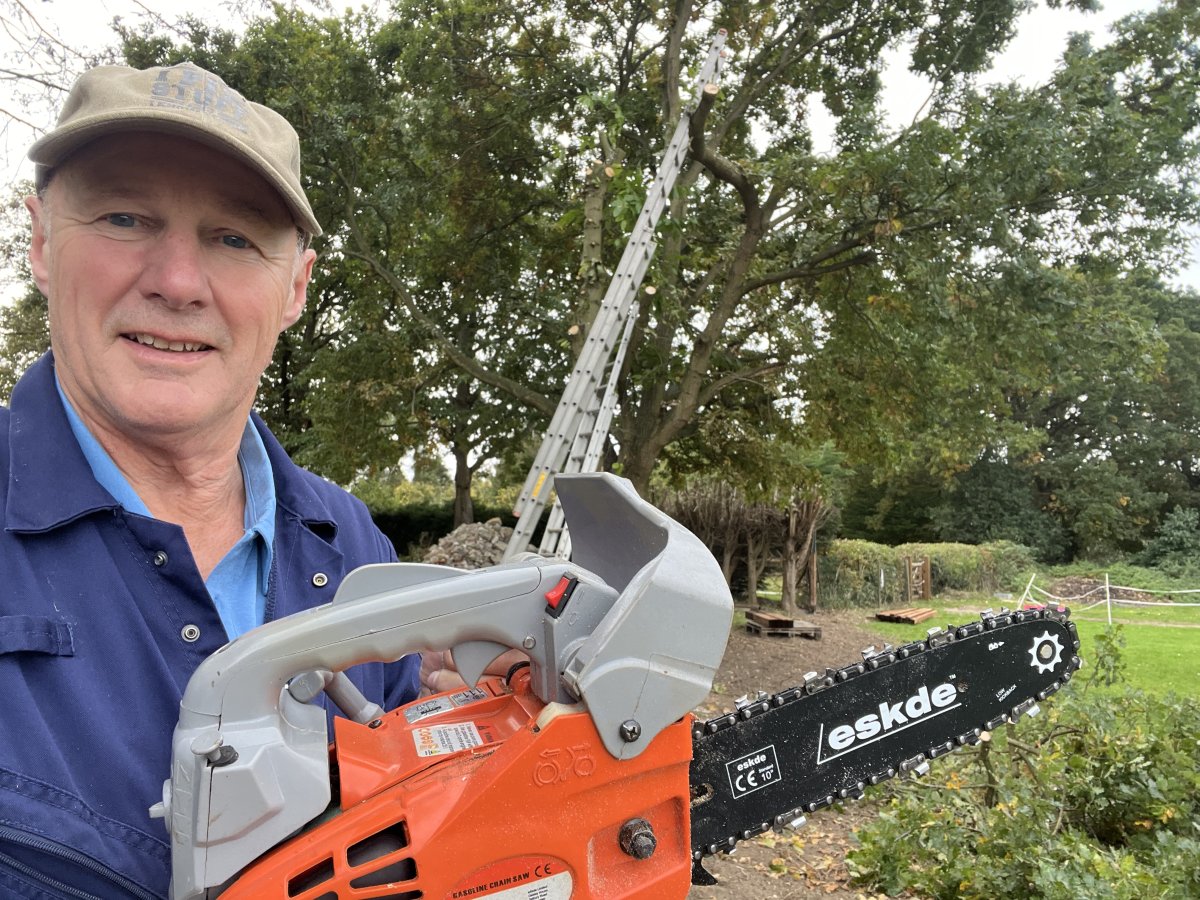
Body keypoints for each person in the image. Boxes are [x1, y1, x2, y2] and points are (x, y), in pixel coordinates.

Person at [0, 61, 423, 899]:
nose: (178, 282)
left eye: (234, 238)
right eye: (124, 217)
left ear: (295, 287)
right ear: (42, 243)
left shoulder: (353, 547)